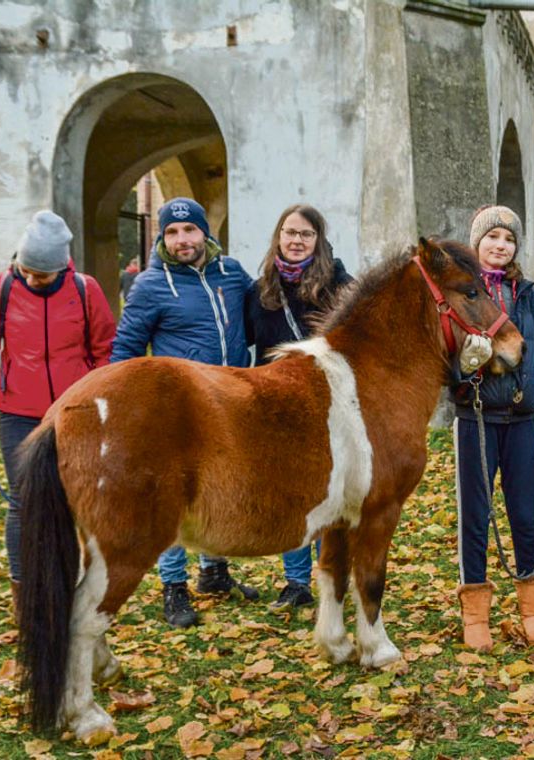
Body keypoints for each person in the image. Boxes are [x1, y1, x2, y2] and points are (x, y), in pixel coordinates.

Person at [0, 211, 116, 607]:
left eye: (40, 274)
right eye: (25, 270)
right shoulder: (1, 289)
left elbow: (104, 355)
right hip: (19, 416)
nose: (31, 279)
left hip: (73, 415)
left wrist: (102, 413)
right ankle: (24, 598)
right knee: (23, 502)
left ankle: (67, 591)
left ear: (61, 266)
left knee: (71, 503)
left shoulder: (84, 290)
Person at [111, 197, 259, 628]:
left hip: (230, 402)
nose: (182, 240)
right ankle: (173, 587)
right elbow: (125, 352)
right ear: (162, 238)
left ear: (204, 233)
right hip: (179, 411)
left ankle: (214, 571)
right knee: (175, 499)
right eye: (172, 233)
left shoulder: (232, 274)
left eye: (189, 230)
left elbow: (259, 315)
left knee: (220, 490)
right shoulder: (150, 286)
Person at [452, 205, 534, 651]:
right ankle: (475, 612)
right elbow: (445, 359)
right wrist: (464, 373)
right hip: (476, 419)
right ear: (477, 242)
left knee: (525, 515)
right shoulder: (462, 295)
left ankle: (532, 608)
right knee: (475, 517)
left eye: (508, 240)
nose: (500, 246)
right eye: (492, 238)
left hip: (524, 422)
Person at [245, 203, 354, 609]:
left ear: (318, 241)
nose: (295, 240)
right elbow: (251, 346)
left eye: (305, 234)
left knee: (329, 492)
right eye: (289, 232)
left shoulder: (340, 287)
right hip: (279, 406)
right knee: (293, 494)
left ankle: (330, 575)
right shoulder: (260, 292)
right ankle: (295, 582)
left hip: (329, 406)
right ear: (278, 236)